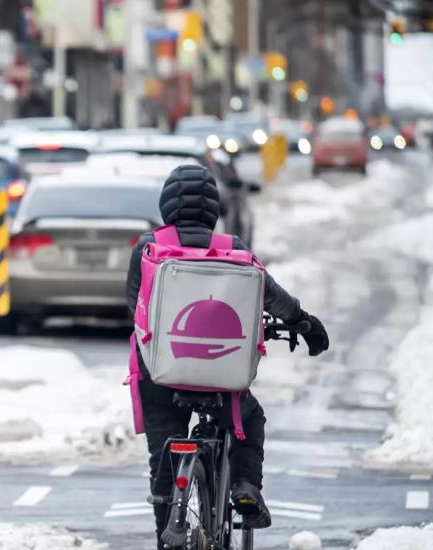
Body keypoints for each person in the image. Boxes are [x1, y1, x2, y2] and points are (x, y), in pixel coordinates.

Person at [125, 164, 330, 548]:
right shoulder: (233, 250)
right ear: (213, 208)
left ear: (166, 205)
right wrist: (303, 323)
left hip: (160, 375)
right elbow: (268, 295)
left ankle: (167, 532)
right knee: (250, 419)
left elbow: (133, 307)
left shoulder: (148, 249)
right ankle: (245, 487)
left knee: (163, 464)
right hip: (220, 380)